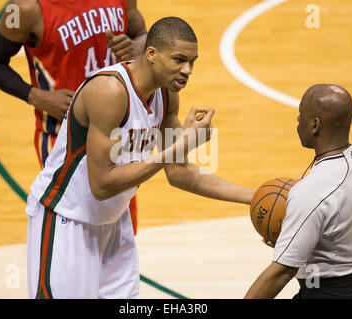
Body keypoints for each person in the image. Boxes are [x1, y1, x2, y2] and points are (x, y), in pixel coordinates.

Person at [25, 17, 255, 299]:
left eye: (193, 62)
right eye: (180, 60)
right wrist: (178, 145)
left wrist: (256, 196)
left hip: (114, 222)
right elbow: (101, 185)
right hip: (67, 219)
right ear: (151, 54)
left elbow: (180, 172)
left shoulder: (167, 95)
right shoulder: (109, 92)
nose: (188, 70)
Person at [0, 0, 147, 234]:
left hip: (118, 134)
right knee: (73, 236)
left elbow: (141, 34)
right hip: (63, 139)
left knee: (119, 235)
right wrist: (38, 96)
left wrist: (138, 47)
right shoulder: (25, 9)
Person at [245, 84, 352, 299]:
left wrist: (296, 250)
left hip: (330, 293)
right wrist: (311, 245)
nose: (297, 121)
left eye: (300, 114)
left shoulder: (310, 191)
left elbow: (283, 271)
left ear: (314, 124)